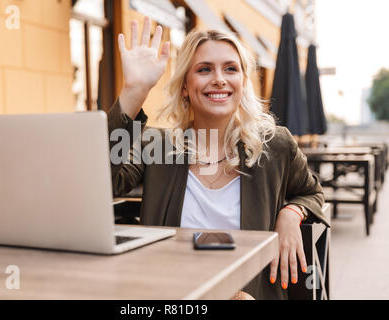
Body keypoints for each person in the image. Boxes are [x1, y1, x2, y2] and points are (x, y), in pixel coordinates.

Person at [108, 17, 329, 300]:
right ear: (185, 86)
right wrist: (134, 92)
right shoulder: (157, 144)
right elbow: (106, 182)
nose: (219, 79)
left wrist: (292, 213)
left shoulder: (276, 145)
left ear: (243, 82)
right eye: (204, 69)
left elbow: (311, 192)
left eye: (230, 69)